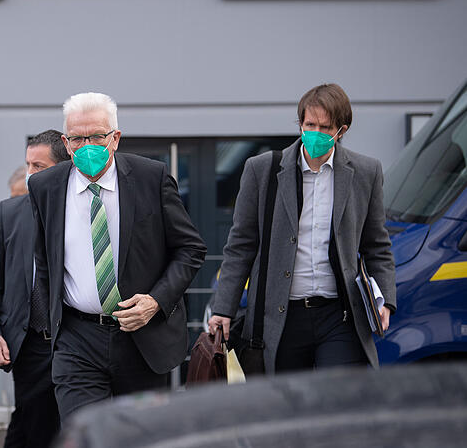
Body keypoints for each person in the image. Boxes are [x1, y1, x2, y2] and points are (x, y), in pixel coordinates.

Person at [29, 92, 207, 419]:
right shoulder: (45, 187)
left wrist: (155, 301)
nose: (87, 146)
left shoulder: (150, 177)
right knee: (83, 435)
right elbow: (44, 261)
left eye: (96, 135)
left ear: (115, 137)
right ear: (66, 144)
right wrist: (47, 326)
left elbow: (190, 249)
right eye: (77, 138)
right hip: (76, 338)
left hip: (142, 338)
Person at [208, 83, 396, 373]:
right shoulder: (263, 170)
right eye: (310, 125)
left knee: (333, 403)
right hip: (281, 318)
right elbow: (241, 246)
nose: (315, 134)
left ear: (341, 131)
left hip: (340, 315)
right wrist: (224, 308)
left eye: (325, 127)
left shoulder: (366, 172)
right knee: (289, 406)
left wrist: (385, 301)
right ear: (300, 124)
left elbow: (377, 246)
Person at [0, 129, 68, 448]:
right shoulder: (10, 213)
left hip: (79, 340)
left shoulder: (83, 212)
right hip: (33, 347)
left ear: (63, 167)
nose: (30, 175)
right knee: (34, 425)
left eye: (39, 167)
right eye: (28, 165)